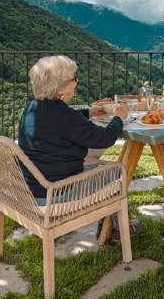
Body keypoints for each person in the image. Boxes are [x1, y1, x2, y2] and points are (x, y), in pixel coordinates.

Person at [18, 55, 128, 204]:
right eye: (74, 78)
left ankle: (106, 217)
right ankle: (109, 218)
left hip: (31, 189)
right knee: (119, 170)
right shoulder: (64, 116)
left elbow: (62, 121)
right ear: (60, 88)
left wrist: (90, 112)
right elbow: (104, 138)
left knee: (93, 162)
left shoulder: (33, 107)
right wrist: (119, 117)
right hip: (57, 194)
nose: (77, 81)